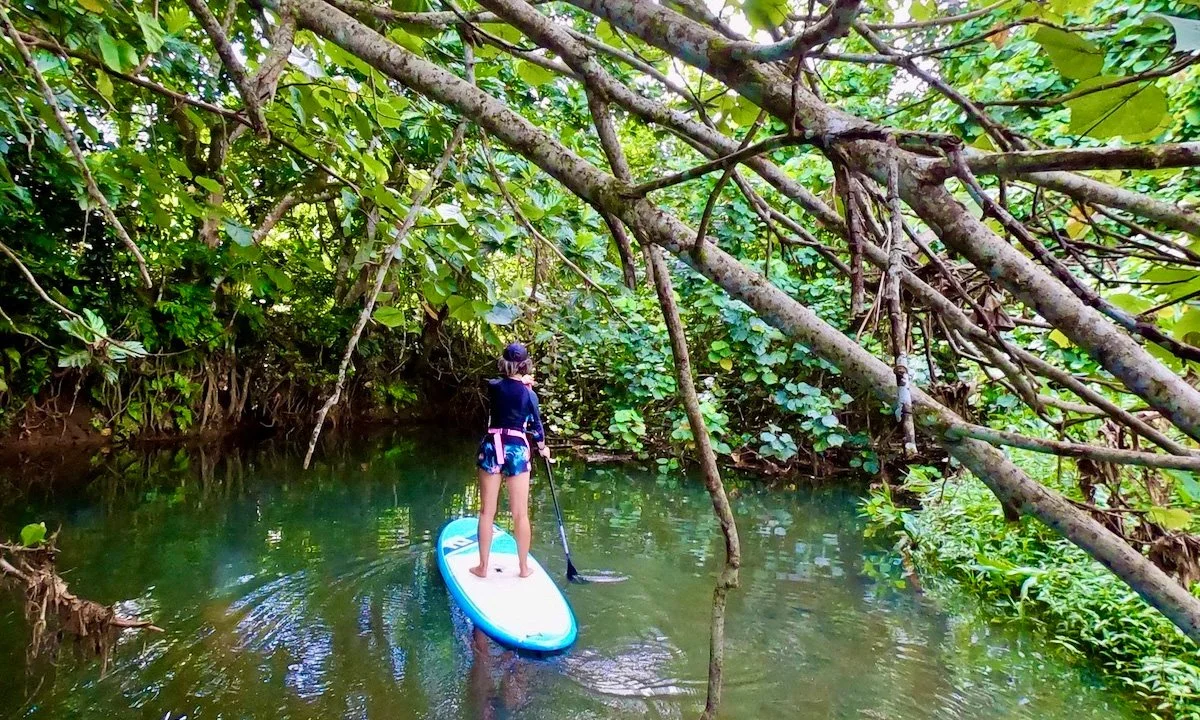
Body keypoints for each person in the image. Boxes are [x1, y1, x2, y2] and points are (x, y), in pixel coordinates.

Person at [470, 342, 550, 580]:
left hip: (493, 446)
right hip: (517, 449)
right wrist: (543, 449)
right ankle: (524, 568)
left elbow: (500, 384)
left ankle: (483, 567)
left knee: (487, 512)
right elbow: (537, 428)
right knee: (520, 514)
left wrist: (519, 381)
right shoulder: (529, 394)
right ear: (526, 365)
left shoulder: (493, 387)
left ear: (503, 363)